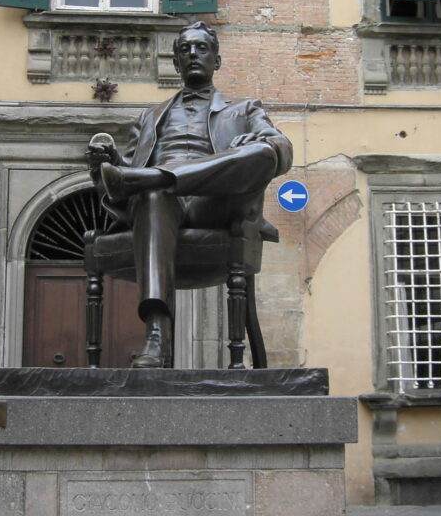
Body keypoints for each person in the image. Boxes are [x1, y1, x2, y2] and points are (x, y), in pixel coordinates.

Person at [86, 21, 292, 368]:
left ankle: (152, 178)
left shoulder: (244, 109)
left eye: (201, 48)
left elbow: (281, 149)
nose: (193, 54)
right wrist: (105, 163)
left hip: (216, 203)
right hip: (163, 207)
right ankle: (156, 335)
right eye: (184, 50)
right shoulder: (149, 117)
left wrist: (257, 141)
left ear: (217, 60)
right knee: (153, 194)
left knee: (263, 153)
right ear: (175, 64)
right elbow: (118, 183)